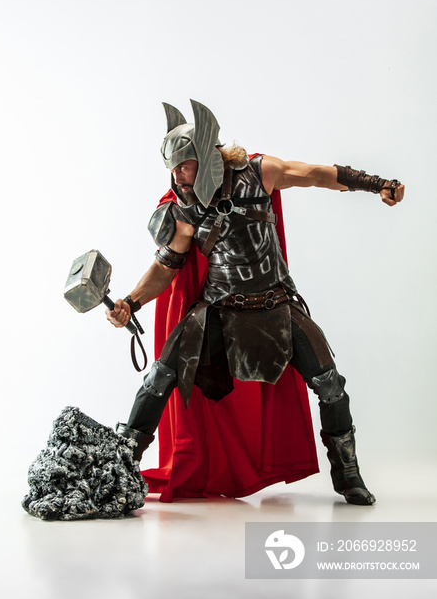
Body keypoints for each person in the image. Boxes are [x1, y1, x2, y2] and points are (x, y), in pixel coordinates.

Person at [106, 100, 404, 505]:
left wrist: (376, 184)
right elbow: (167, 266)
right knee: (160, 377)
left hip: (276, 304)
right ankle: (119, 464)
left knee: (331, 386)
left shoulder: (260, 172)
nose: (178, 175)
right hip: (218, 310)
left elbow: (317, 175)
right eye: (172, 168)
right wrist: (130, 302)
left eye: (184, 164)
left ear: (208, 153)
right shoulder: (184, 210)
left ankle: (348, 476)